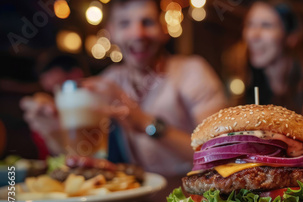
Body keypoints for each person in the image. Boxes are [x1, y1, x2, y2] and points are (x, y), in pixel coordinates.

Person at [20, 0, 227, 177]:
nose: (138, 33)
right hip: (143, 195)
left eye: (147, 22)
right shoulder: (109, 80)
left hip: (199, 191)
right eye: (125, 23)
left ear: (164, 28)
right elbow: (80, 154)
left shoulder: (193, 71)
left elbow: (221, 153)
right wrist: (51, 128)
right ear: (111, 32)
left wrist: (145, 122)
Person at [228, 0, 303, 168]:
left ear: (292, 36)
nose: (252, 35)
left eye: (266, 26)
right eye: (249, 24)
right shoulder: (254, 84)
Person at [20, 52, 88, 159]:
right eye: (42, 76)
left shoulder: (92, 108)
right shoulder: (45, 102)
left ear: (76, 74)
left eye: (49, 73)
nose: (43, 79)